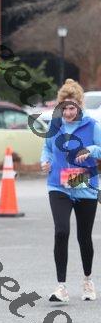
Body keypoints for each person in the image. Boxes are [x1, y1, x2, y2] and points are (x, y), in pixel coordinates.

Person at [41, 78, 101, 303]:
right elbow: (47, 149)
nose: (67, 113)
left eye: (71, 108)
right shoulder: (55, 125)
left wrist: (91, 149)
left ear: (79, 106)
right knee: (61, 231)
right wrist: (45, 161)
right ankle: (61, 287)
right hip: (58, 185)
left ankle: (87, 280)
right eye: (64, 108)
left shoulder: (92, 125)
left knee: (84, 236)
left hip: (85, 184)